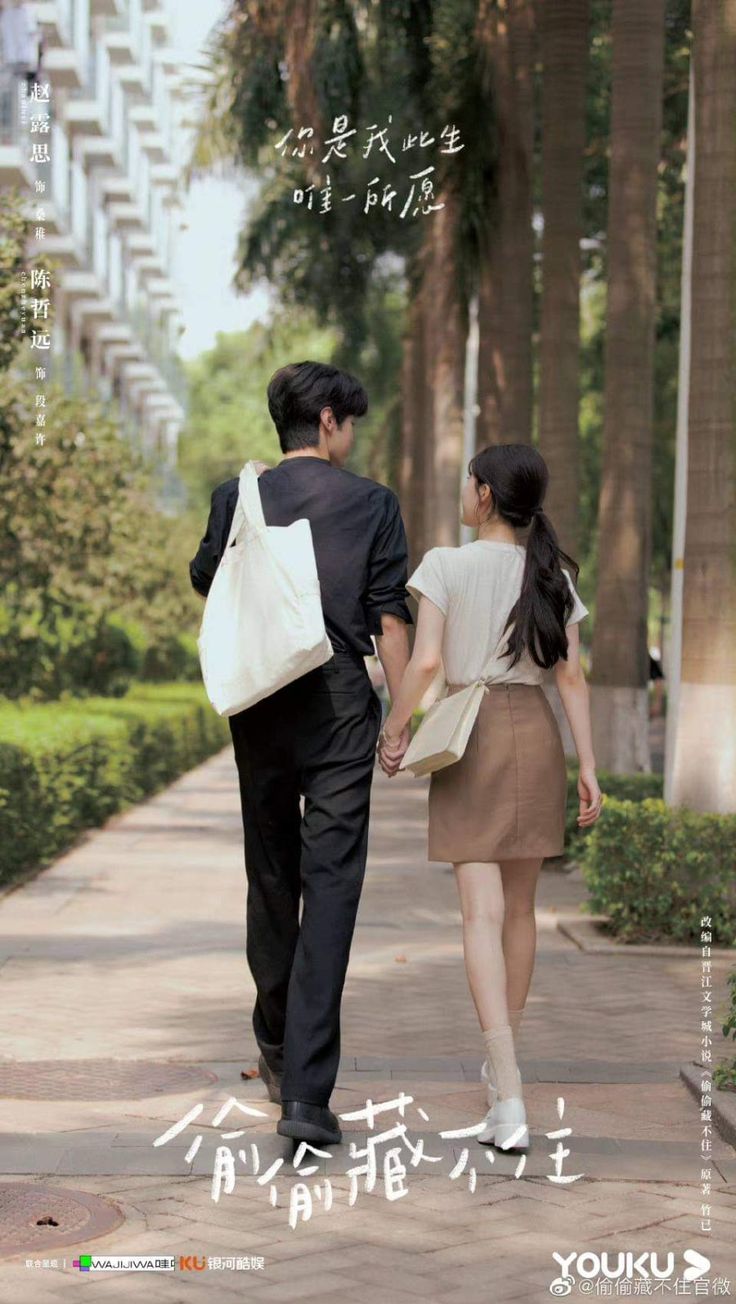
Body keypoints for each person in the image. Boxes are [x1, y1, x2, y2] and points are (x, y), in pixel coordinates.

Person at [189, 361, 413, 1145]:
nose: (352, 435)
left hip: (258, 702)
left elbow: (206, 579)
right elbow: (389, 619)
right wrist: (401, 719)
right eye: (349, 421)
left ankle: (277, 1039)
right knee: (333, 886)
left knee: (272, 871)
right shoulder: (373, 504)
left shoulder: (237, 495)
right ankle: (308, 1098)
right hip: (341, 705)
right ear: (326, 420)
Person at [377, 443, 603, 1152]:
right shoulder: (552, 573)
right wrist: (589, 768)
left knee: (480, 914)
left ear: (483, 495)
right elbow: (571, 680)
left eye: (469, 481)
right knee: (522, 913)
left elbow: (429, 661)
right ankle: (503, 1075)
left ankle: (508, 1094)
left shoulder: (446, 564)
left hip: (471, 738)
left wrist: (395, 727)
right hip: (536, 736)